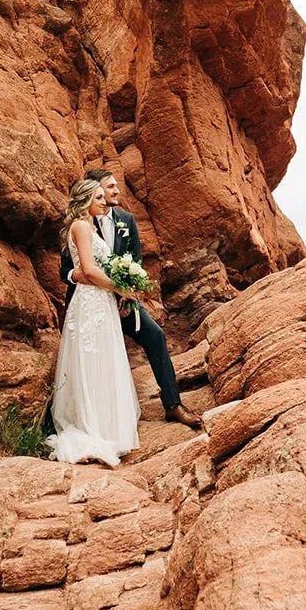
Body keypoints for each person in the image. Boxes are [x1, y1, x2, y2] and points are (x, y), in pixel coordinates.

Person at [59, 168, 201, 427]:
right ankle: (86, 415)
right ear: (94, 191)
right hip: (92, 301)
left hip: (123, 301)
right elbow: (67, 270)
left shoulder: (127, 220)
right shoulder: (82, 223)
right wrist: (76, 275)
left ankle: (173, 405)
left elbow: (135, 263)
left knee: (155, 335)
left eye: (115, 186)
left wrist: (128, 295)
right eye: (109, 187)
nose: (116, 191)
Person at [46, 178, 140, 466]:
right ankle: (92, 428)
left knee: (104, 359)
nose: (103, 201)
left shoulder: (89, 226)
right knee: (91, 360)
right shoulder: (82, 226)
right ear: (86, 200)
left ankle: (107, 426)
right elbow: (87, 269)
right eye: (98, 197)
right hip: (91, 302)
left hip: (100, 300)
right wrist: (120, 288)